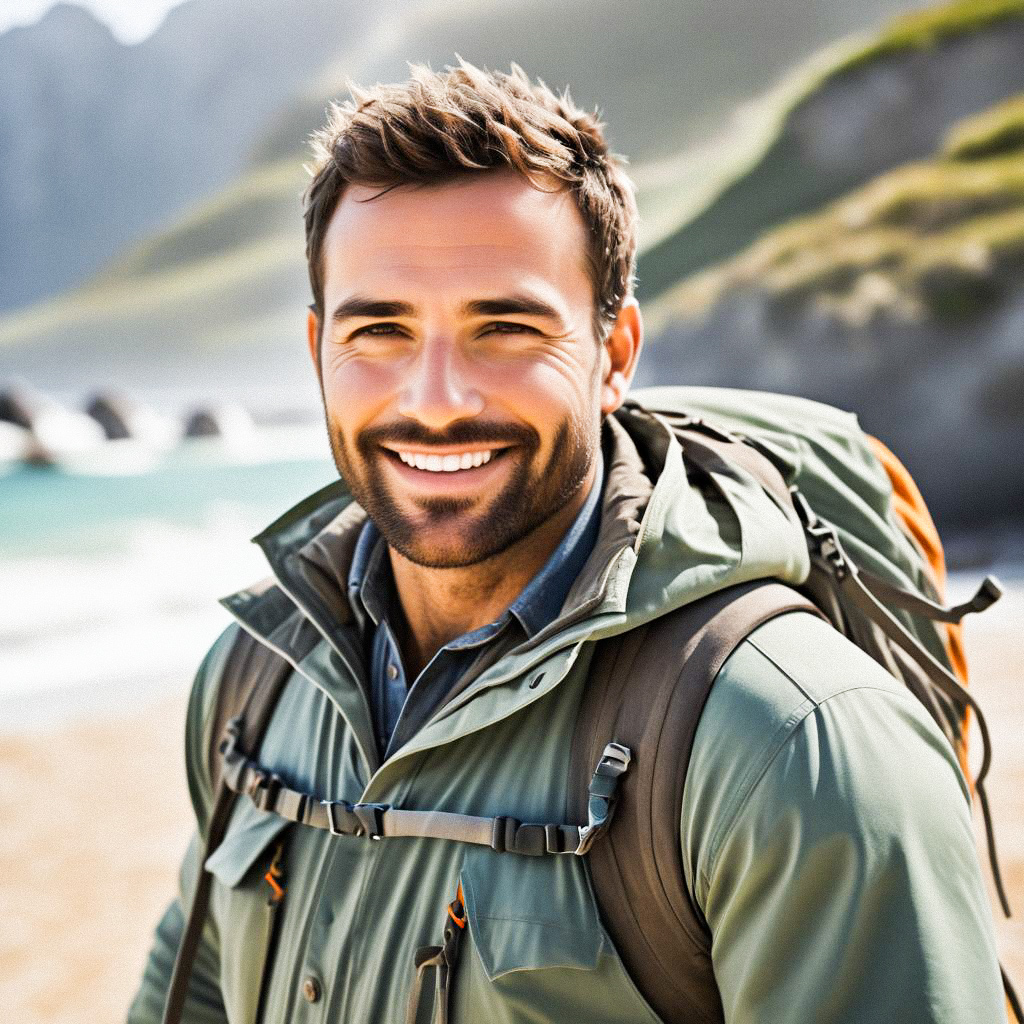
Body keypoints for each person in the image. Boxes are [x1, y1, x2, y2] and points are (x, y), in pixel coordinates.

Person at [127, 61, 1008, 1023]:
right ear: (317, 353)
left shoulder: (793, 746)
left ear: (614, 355)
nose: (435, 399)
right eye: (379, 329)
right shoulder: (254, 680)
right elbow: (199, 973)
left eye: (503, 327)